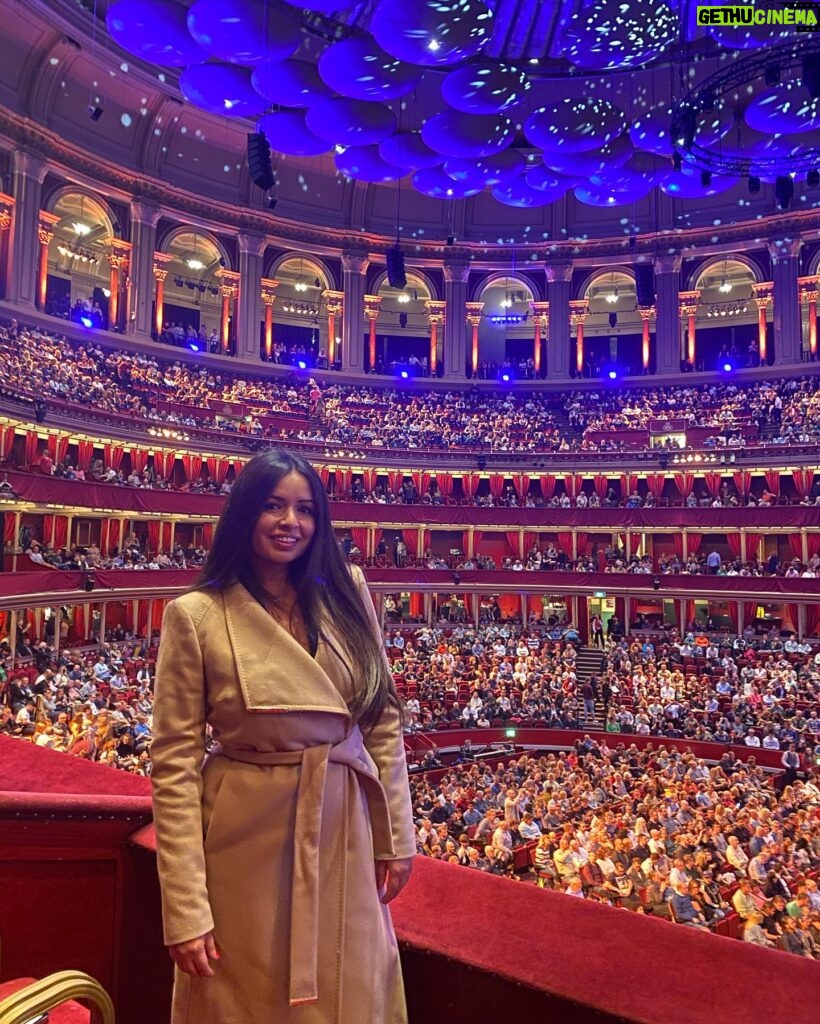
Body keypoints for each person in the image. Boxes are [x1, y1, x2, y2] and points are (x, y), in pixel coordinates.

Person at [151, 450, 415, 1024]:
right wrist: (185, 908)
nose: (288, 521)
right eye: (272, 506)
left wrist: (397, 834)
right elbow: (173, 767)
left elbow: (383, 721)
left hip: (345, 826)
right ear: (244, 514)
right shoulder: (195, 615)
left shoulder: (348, 595)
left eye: (303, 509)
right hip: (244, 843)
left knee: (354, 990)